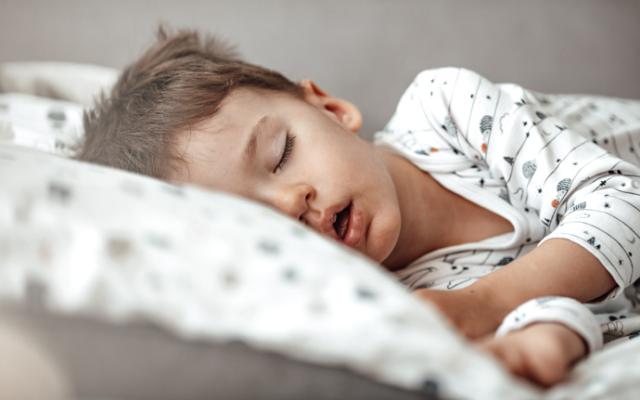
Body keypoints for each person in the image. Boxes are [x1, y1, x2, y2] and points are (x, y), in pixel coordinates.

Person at [76, 27, 640, 387]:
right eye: (256, 222)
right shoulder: (395, 296)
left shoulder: (449, 113)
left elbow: (622, 206)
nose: (289, 204)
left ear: (329, 108)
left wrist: (480, 304)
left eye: (281, 155)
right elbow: (600, 301)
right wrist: (546, 334)